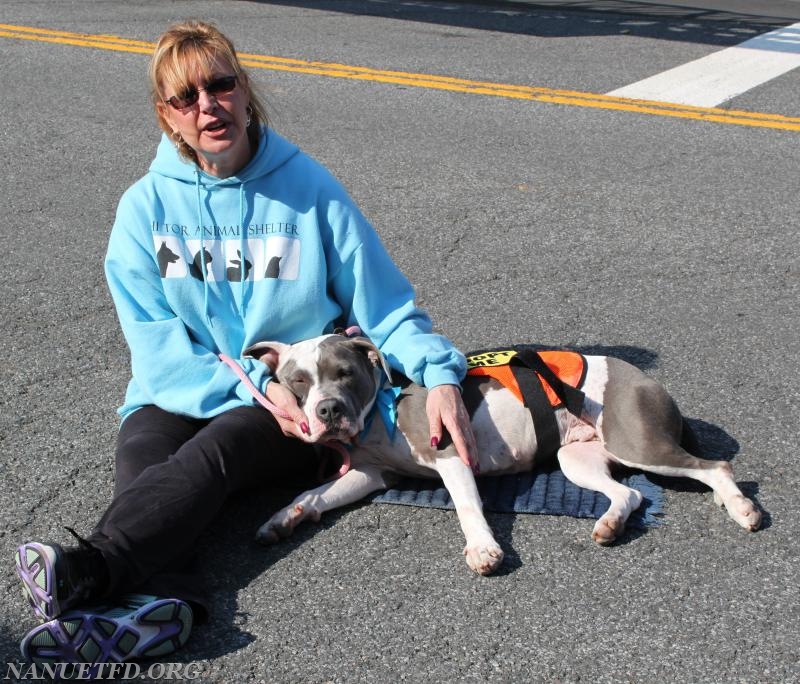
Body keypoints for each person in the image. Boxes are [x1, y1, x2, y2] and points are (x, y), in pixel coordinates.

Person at [14, 20, 477, 670]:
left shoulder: (310, 189)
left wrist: (441, 375)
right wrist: (242, 384)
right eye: (186, 97)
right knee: (144, 462)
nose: (208, 106)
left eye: (221, 84)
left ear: (244, 89)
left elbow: (386, 305)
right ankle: (169, 609)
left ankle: (92, 571)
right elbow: (155, 347)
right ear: (166, 116)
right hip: (178, 386)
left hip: (292, 398)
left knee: (214, 452)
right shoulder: (144, 209)